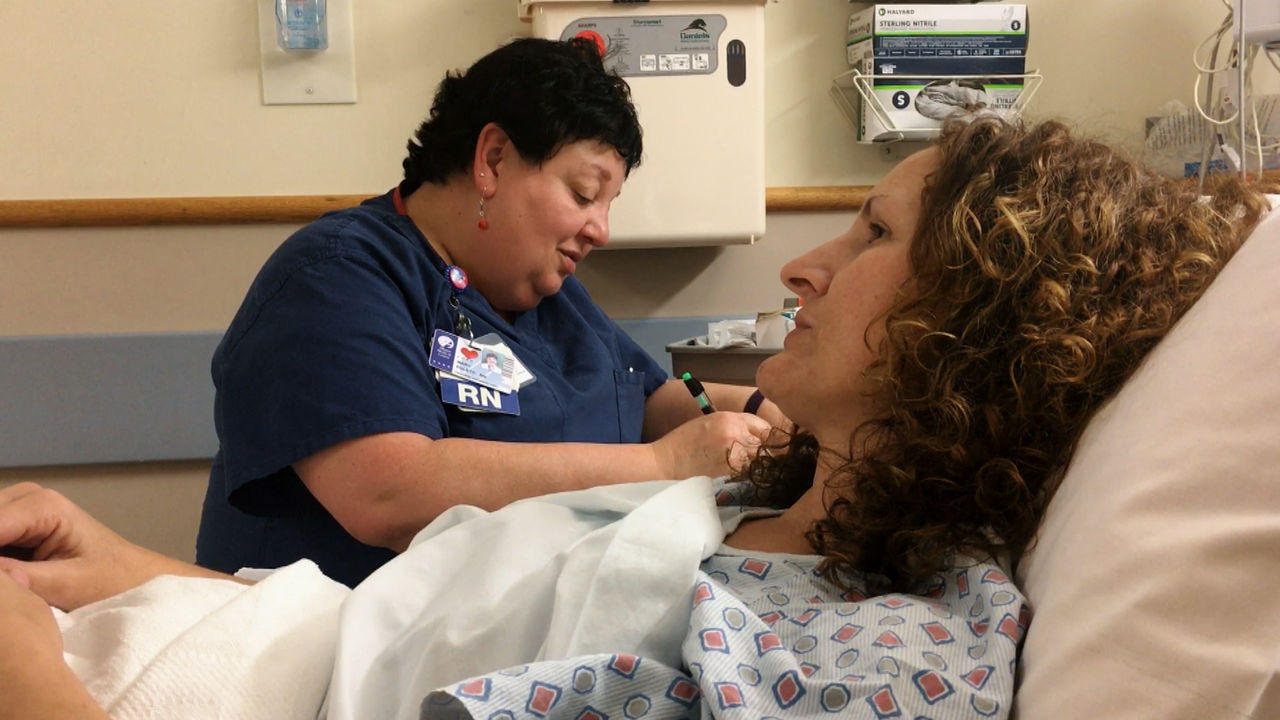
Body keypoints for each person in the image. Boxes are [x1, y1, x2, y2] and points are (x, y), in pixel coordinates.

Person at [0, 117, 1267, 719]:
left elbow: (667, 397)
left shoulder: (879, 651)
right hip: (219, 644)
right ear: (491, 161)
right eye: (585, 190)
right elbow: (404, 569)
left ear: (977, 325)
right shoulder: (348, 273)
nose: (798, 266)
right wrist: (128, 573)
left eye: (870, 233)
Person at [195, 37, 785, 587]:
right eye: (584, 194)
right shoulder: (335, 276)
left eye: (609, 205)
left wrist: (761, 410)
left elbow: (647, 398)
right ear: (494, 159)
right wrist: (665, 462)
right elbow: (388, 494)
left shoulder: (545, 293)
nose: (600, 231)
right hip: (340, 635)